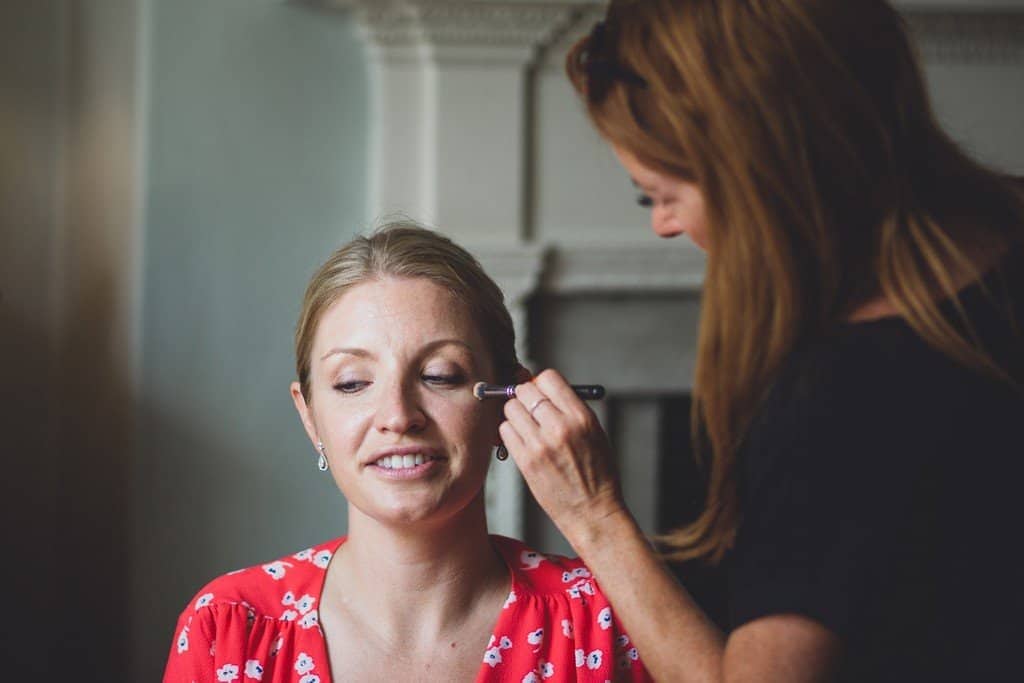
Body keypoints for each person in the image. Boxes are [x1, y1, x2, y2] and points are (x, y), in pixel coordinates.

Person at [497, 1, 1024, 681]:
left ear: (760, 170)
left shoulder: (838, 401)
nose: (662, 225)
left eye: (661, 192)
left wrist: (594, 515)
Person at [163, 223, 652, 682]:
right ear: (310, 416)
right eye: (352, 383)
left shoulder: (608, 619)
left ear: (510, 402)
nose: (397, 415)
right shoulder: (229, 629)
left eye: (440, 376)